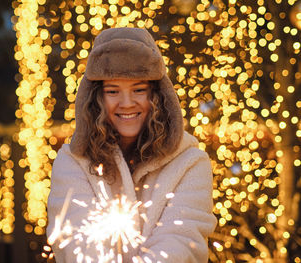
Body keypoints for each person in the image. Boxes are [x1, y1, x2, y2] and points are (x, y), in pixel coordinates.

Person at [47, 27, 217, 263]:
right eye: (113, 91)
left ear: (157, 95)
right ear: (97, 98)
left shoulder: (190, 162)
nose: (126, 103)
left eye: (138, 89)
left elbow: (182, 240)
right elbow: (75, 240)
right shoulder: (72, 163)